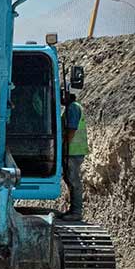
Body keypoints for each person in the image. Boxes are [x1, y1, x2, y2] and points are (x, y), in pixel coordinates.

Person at [60, 92, 87, 221]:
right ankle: (73, 210)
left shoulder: (73, 108)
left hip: (73, 151)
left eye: (61, 95)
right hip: (73, 151)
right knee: (69, 178)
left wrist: (65, 146)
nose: (59, 98)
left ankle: (76, 212)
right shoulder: (71, 107)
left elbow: (72, 129)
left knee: (73, 180)